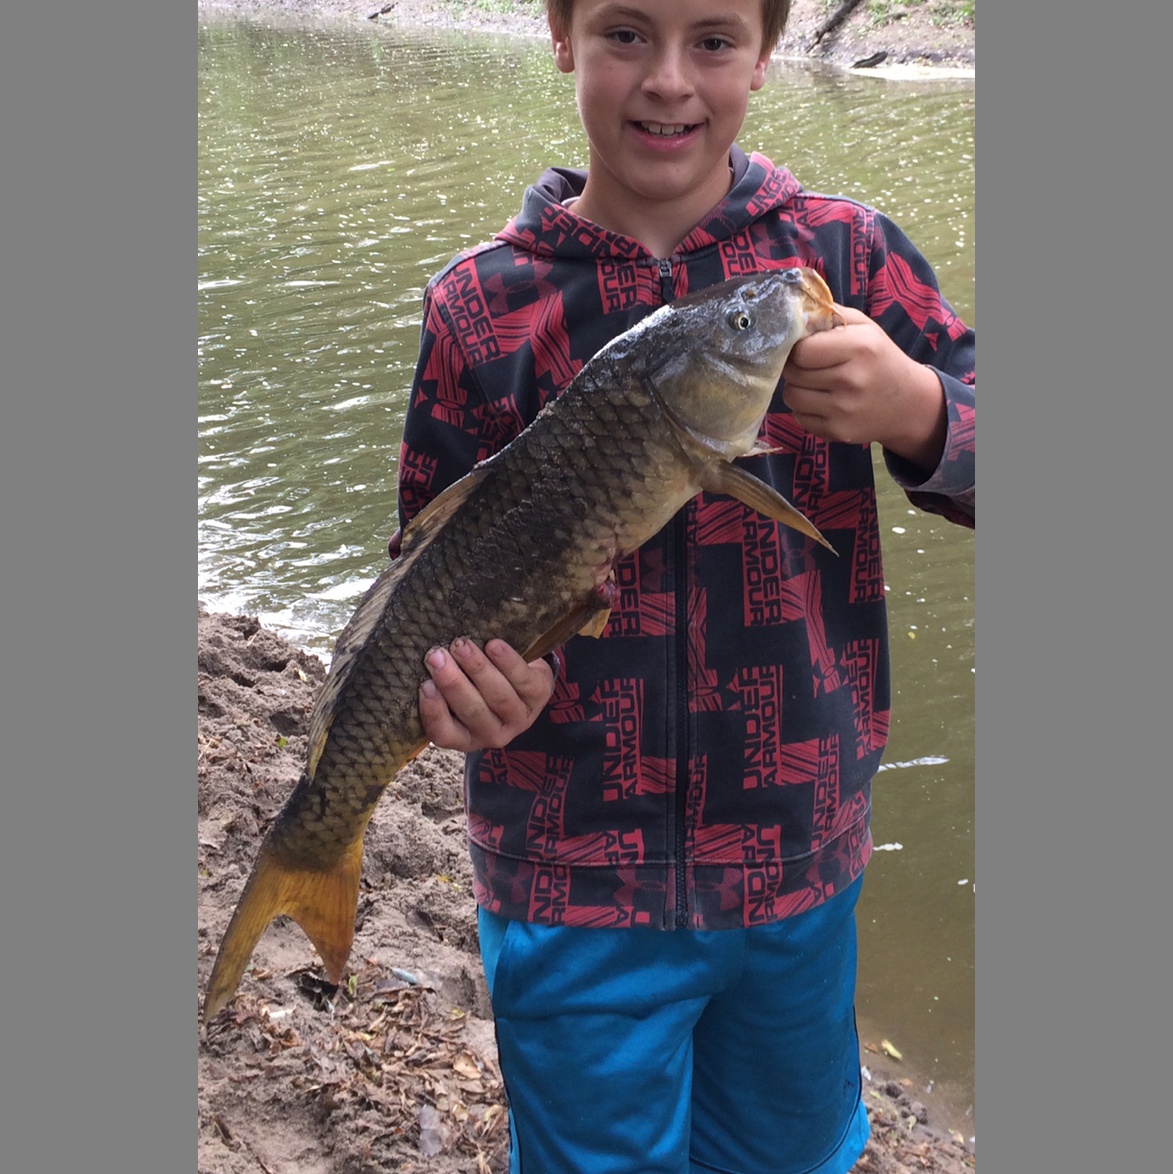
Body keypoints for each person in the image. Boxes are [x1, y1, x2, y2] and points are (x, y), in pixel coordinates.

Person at [389, 2, 974, 1170]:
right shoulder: (478, 307)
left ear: (766, 52)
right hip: (569, 877)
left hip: (798, 859)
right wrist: (458, 699)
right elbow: (425, 591)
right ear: (562, 36)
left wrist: (919, 410)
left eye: (712, 39)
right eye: (625, 34)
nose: (668, 81)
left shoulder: (844, 260)